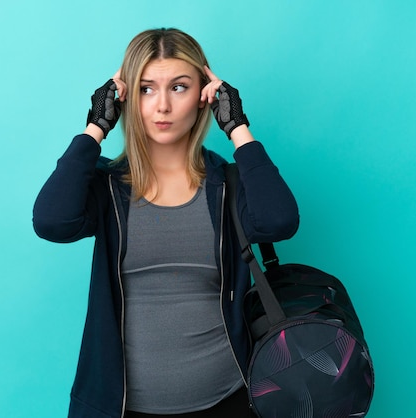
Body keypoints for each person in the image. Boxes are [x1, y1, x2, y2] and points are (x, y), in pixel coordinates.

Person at [33, 28, 299, 418]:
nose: (162, 107)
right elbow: (52, 222)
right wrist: (95, 127)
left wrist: (238, 127)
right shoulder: (106, 186)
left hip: (232, 399)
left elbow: (278, 222)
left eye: (178, 88)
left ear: (204, 96)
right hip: (121, 407)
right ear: (124, 98)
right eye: (145, 88)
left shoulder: (228, 184)